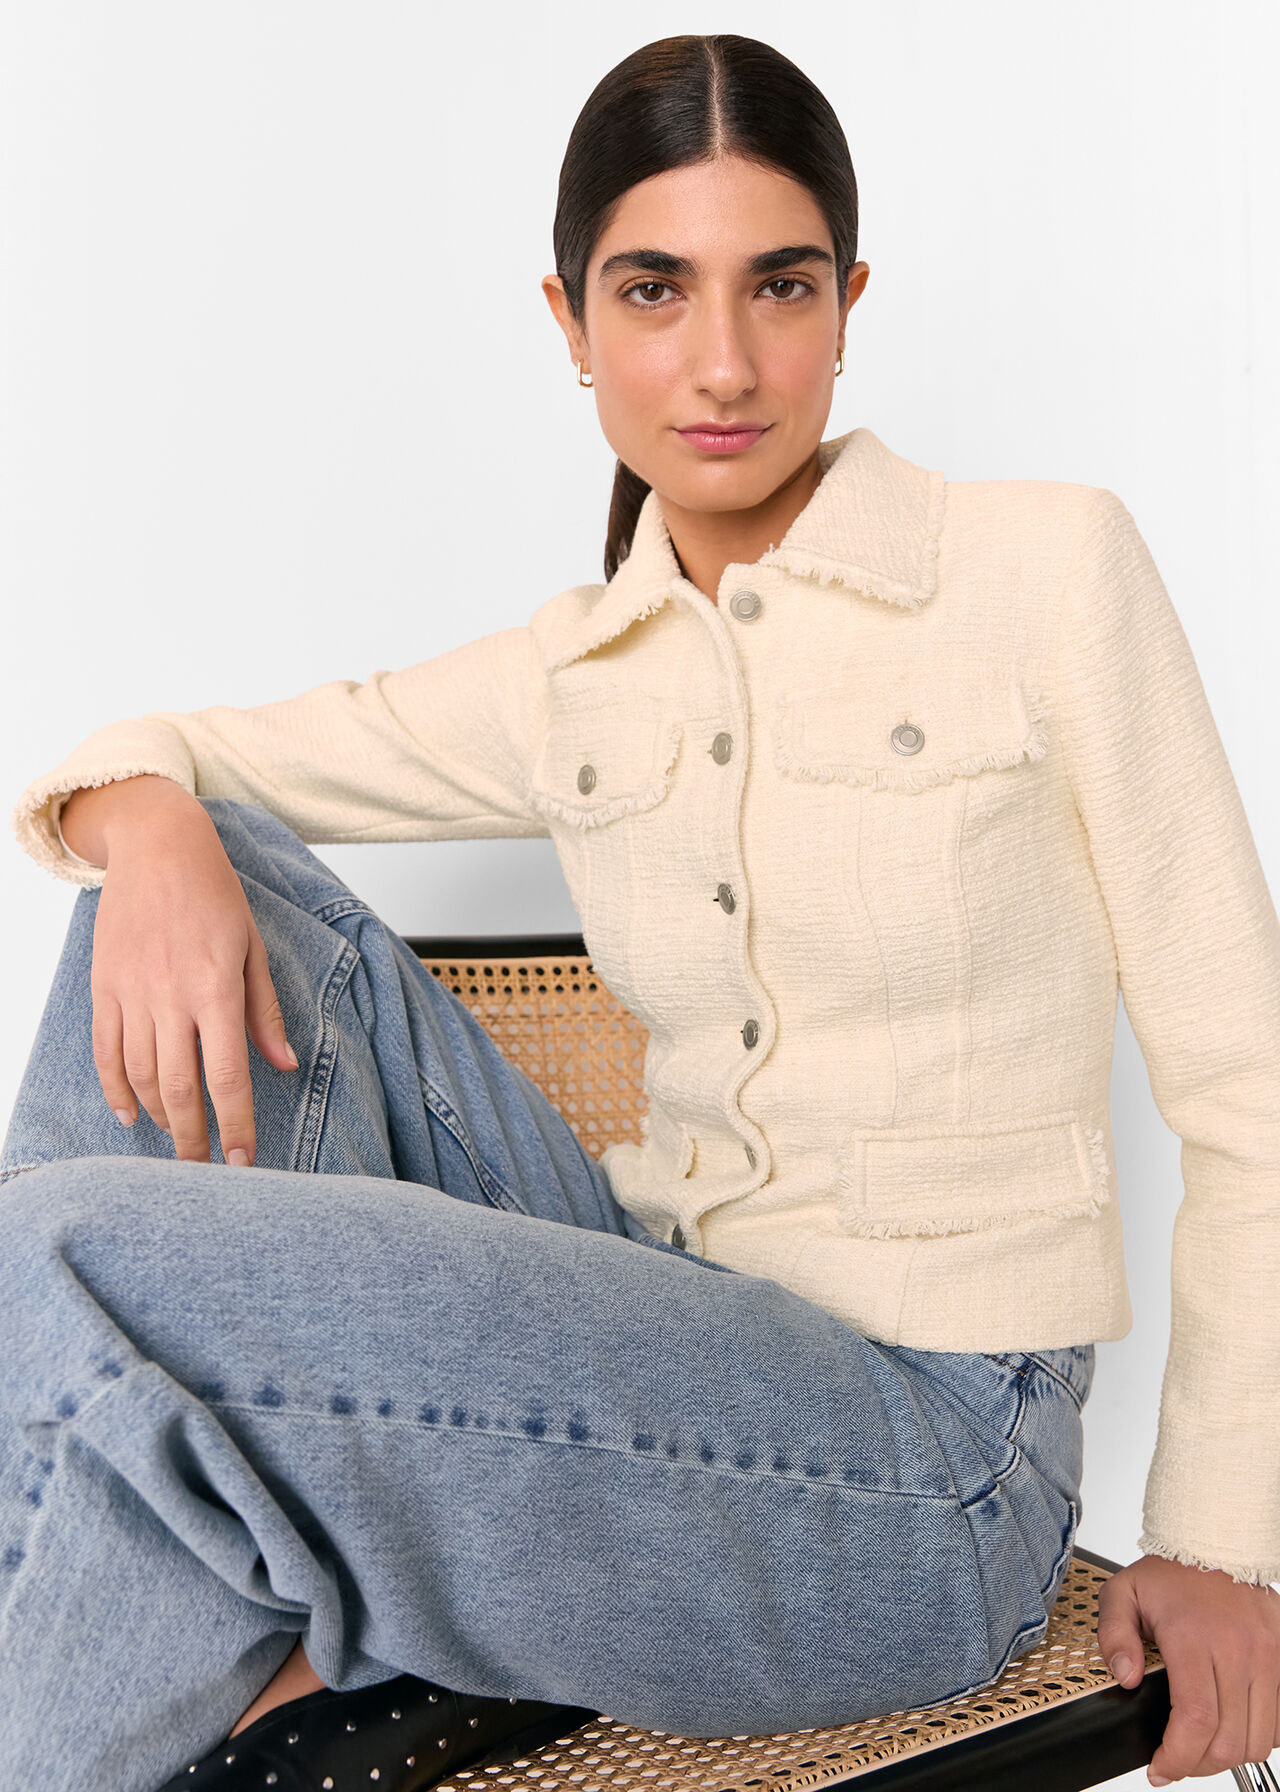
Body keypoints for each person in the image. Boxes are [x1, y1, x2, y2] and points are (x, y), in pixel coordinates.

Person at [2, 30, 1277, 1792]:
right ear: (571, 322)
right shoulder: (580, 669)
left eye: (783, 285)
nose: (726, 361)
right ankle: (202, 1656)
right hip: (658, 1345)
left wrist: (1224, 1533)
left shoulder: (1044, 572)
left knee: (49, 1253)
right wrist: (142, 830)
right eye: (656, 291)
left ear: (849, 303)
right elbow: (178, 753)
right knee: (213, 882)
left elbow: (1250, 1081)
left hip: (922, 1468)